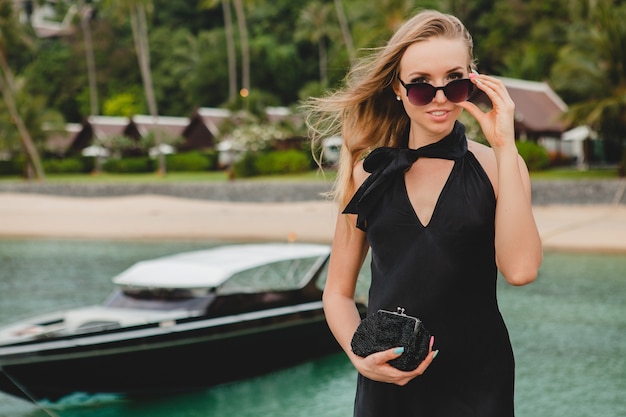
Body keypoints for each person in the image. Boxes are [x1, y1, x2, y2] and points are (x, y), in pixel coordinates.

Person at [304, 9, 543, 417]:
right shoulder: (368, 173)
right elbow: (338, 293)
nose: (439, 98)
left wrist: (505, 146)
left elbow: (520, 270)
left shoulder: (497, 166)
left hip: (478, 383)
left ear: (473, 80)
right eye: (420, 86)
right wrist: (358, 357)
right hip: (388, 383)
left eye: (455, 81)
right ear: (397, 89)